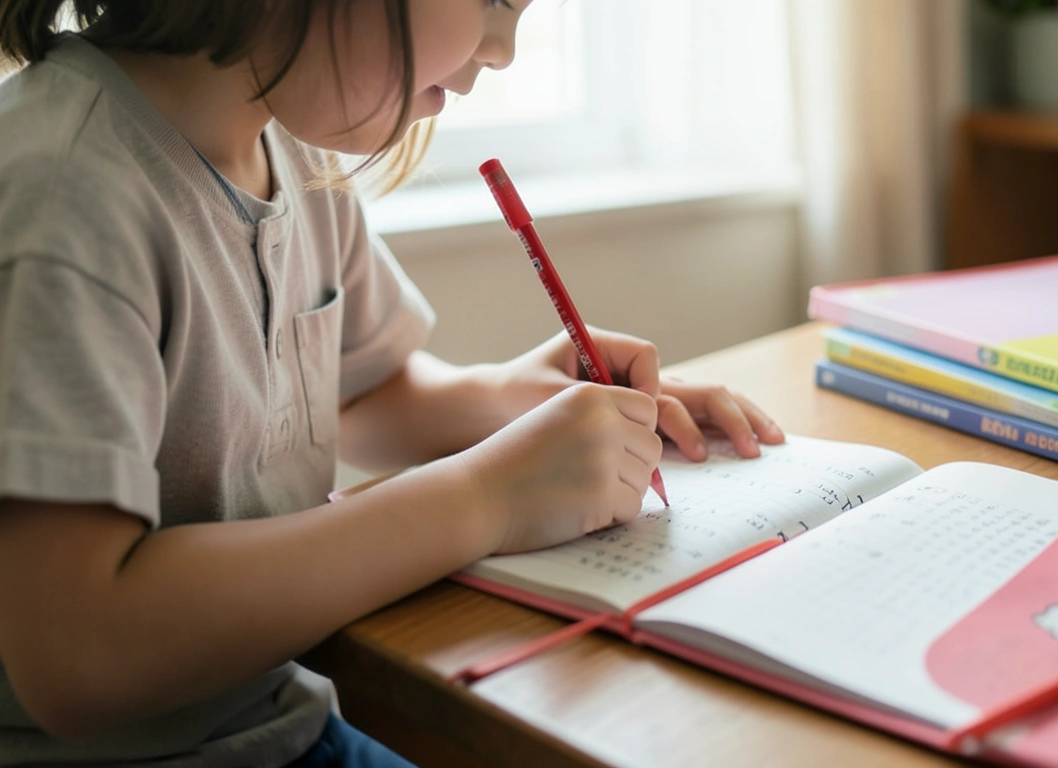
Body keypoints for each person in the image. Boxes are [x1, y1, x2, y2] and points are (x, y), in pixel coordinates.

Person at [0, 1, 786, 765]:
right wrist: (491, 496)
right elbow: (77, 656)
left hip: (280, 717)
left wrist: (523, 399)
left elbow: (363, 393)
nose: (505, 50)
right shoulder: (62, 193)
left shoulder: (291, 149)